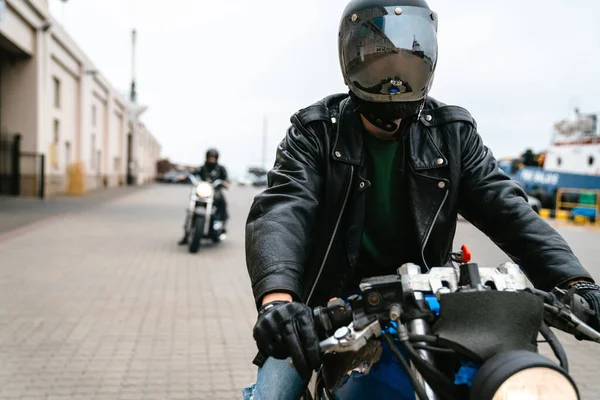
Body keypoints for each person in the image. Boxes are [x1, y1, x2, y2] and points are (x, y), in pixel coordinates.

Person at [243, 0, 600, 399]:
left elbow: (508, 209)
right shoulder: (315, 132)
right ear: (352, 59)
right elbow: (283, 207)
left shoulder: (454, 132)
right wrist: (278, 303)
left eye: (407, 59)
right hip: (327, 306)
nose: (393, 76)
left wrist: (577, 281)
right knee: (272, 395)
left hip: (424, 301)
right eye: (380, 60)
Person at [178, 148, 230, 245]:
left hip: (215, 191)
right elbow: (192, 173)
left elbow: (226, 178)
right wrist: (184, 177)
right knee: (191, 208)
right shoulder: (202, 168)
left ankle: (222, 223)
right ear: (206, 157)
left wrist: (226, 183)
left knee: (222, 202)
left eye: (213, 158)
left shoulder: (221, 169)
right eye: (210, 157)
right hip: (202, 191)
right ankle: (186, 234)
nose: (211, 160)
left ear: (216, 158)